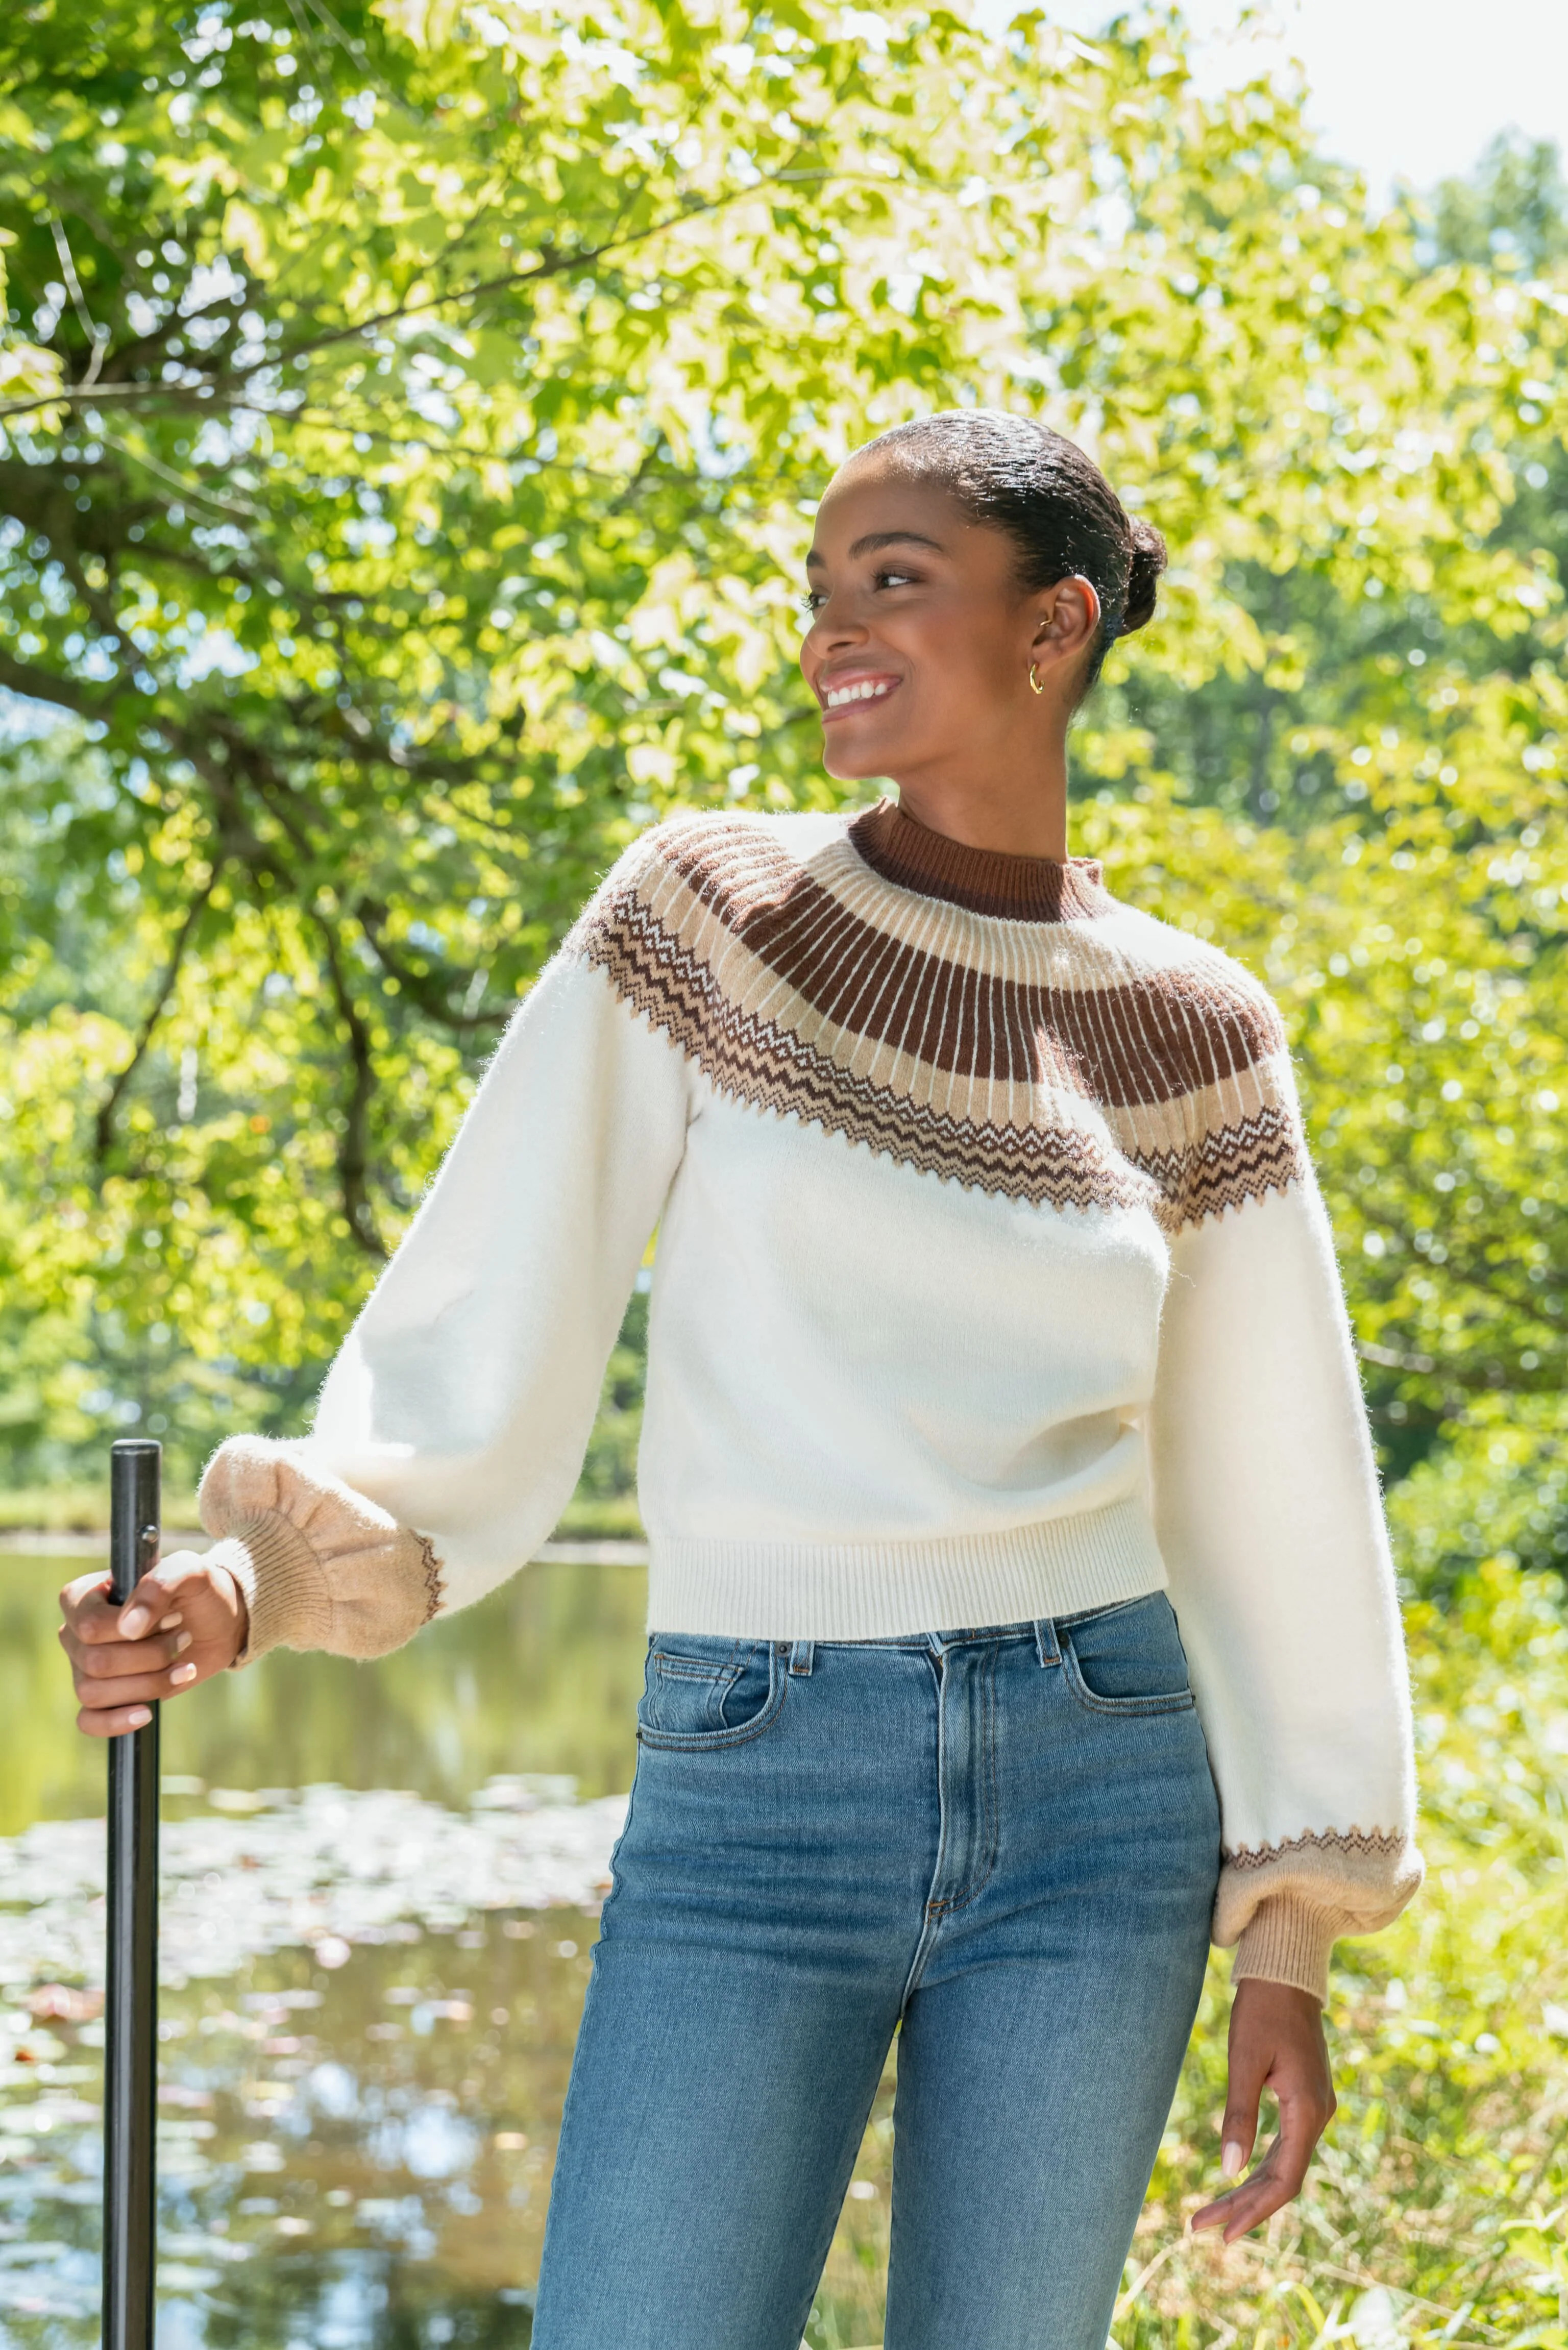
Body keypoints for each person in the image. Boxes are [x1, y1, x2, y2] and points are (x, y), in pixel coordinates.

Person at [61, 409, 1422, 2350]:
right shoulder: (712, 915)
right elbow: (493, 1296)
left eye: (894, 580)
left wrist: (1289, 1929)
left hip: (1100, 1784)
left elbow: (1269, 1478)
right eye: (817, 590)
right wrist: (253, 1582)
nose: (830, 630)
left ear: (1055, 630)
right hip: (757, 1774)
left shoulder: (1193, 1029)